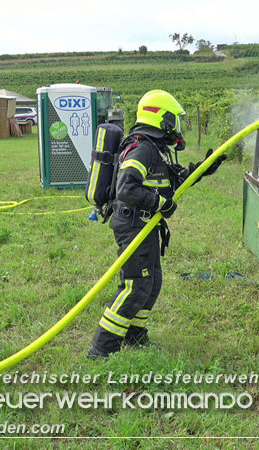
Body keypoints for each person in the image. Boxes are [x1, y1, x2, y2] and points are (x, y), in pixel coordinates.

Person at [87, 90, 226, 359]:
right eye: (173, 119)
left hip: (145, 225)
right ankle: (102, 349)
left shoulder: (155, 149)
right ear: (162, 119)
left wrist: (205, 168)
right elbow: (126, 188)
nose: (176, 126)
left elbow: (176, 182)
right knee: (136, 285)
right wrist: (161, 204)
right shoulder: (142, 148)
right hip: (134, 225)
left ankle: (135, 335)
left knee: (152, 282)